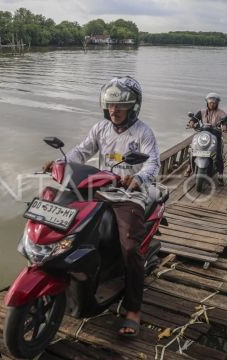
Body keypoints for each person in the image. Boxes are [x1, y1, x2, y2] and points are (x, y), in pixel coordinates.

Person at [42, 76, 160, 337]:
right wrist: (59, 164)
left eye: (120, 106)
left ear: (133, 107)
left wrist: (138, 177)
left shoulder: (143, 133)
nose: (114, 111)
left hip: (129, 195)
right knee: (66, 224)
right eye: (110, 106)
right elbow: (80, 152)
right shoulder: (100, 128)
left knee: (130, 248)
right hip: (98, 189)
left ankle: (132, 310)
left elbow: (153, 164)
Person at [184, 92, 227, 184]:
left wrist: (224, 126)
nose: (212, 104)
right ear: (207, 103)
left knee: (218, 154)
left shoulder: (221, 113)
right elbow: (195, 118)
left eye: (214, 103)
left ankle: (220, 175)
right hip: (202, 133)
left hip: (215, 134)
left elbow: (225, 121)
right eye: (210, 103)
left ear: (217, 103)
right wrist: (192, 122)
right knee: (193, 148)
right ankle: (189, 167)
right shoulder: (202, 111)